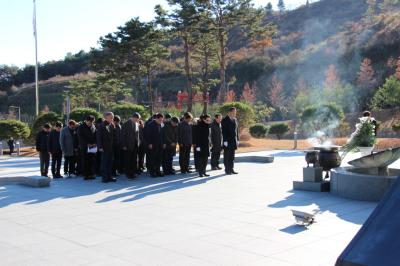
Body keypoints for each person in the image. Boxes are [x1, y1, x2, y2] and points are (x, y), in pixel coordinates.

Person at [77, 115, 97, 180]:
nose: (90, 124)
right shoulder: (81, 127)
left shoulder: (93, 126)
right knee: (85, 161)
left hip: (93, 146)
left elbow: (95, 135)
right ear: (86, 121)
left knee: (92, 160)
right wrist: (87, 144)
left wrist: (95, 143)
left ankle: (92, 174)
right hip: (84, 147)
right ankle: (86, 174)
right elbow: (80, 137)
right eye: (89, 122)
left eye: (92, 122)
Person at [97, 112, 115, 183]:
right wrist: (100, 146)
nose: (112, 119)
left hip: (110, 147)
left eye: (112, 117)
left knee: (110, 162)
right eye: (111, 117)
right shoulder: (101, 125)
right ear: (106, 117)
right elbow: (99, 137)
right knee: (104, 162)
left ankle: (109, 176)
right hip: (104, 147)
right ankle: (104, 177)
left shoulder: (111, 125)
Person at [121, 112, 140, 179]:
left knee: (134, 160)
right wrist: (124, 145)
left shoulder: (137, 124)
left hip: (135, 145)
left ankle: (133, 172)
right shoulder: (126, 124)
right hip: (127, 145)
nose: (138, 120)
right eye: (137, 119)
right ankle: (128, 173)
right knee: (128, 160)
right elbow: (123, 135)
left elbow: (137, 134)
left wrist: (138, 143)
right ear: (133, 118)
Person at [145, 113, 164, 177]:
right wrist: (149, 143)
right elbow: (148, 135)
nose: (161, 121)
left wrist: (163, 143)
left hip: (160, 145)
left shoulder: (160, 125)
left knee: (159, 159)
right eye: (160, 120)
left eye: (162, 120)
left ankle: (158, 171)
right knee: (152, 159)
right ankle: (152, 172)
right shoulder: (150, 125)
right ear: (156, 118)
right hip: (153, 145)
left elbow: (162, 135)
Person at [221, 107, 239, 175]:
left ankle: (231, 169)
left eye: (235, 112)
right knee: (227, 156)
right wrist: (225, 140)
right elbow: (223, 131)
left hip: (233, 141)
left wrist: (237, 139)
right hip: (227, 141)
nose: (235, 113)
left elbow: (236, 130)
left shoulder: (235, 120)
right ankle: (227, 169)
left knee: (232, 156)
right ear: (230, 112)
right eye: (234, 112)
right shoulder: (224, 120)